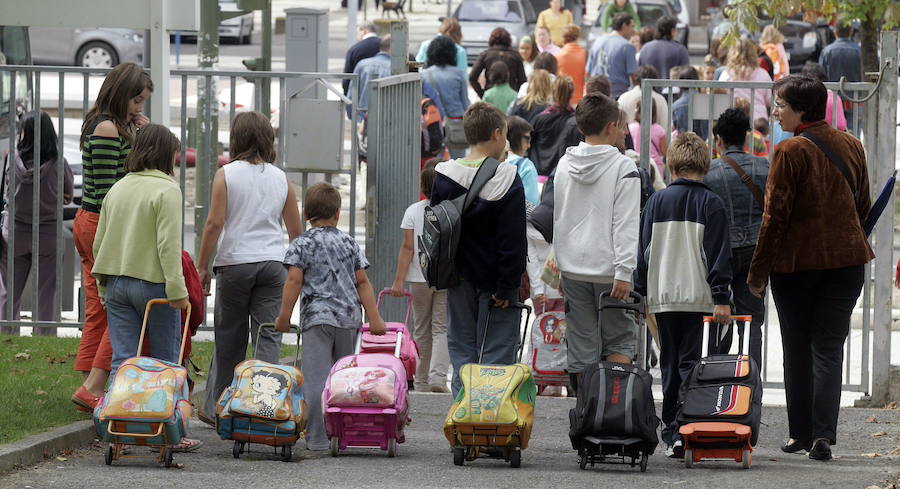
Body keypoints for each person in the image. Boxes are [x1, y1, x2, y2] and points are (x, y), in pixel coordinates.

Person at [747, 75, 872, 462]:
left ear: (801, 109)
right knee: (829, 349)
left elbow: (774, 219)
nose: (775, 111)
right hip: (847, 263)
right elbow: (864, 206)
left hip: (797, 267)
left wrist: (758, 273)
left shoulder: (789, 151)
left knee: (797, 349)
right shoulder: (852, 145)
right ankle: (822, 436)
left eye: (780, 105)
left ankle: (799, 432)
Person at [195, 111, 303, 425]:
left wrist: (203, 266)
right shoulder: (281, 178)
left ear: (236, 140)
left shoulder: (226, 174)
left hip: (234, 264)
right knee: (268, 335)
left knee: (230, 337)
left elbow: (215, 223)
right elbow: (296, 233)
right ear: (268, 140)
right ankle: (266, 406)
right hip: (272, 264)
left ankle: (219, 408)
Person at [635, 132, 733, 458]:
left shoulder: (655, 202)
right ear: (705, 164)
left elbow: (643, 252)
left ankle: (671, 432)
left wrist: (640, 292)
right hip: (696, 296)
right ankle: (688, 425)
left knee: (669, 361)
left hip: (662, 296)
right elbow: (718, 256)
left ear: (672, 164)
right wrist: (721, 297)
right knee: (691, 362)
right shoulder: (713, 204)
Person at [274, 183, 387, 451]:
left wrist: (283, 316)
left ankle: (316, 438)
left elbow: (293, 280)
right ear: (337, 213)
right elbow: (363, 283)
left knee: (317, 379)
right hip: (349, 320)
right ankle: (345, 434)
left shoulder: (302, 243)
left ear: (305, 214)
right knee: (346, 380)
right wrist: (375, 318)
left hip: (317, 320)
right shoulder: (348, 242)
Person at [71, 62, 152, 414]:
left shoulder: (108, 124)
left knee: (99, 308)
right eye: (135, 100)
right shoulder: (107, 128)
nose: (139, 108)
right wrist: (141, 145)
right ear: (119, 94)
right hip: (103, 223)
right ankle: (94, 385)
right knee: (119, 306)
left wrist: (138, 135)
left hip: (92, 222)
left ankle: (88, 385)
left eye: (143, 102)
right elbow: (109, 189)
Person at [430, 102, 527, 396]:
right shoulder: (506, 177)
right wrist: (508, 286)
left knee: (462, 352)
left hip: (456, 277)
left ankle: (463, 421)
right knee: (496, 355)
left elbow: (437, 228)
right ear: (497, 133)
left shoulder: (444, 174)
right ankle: (490, 424)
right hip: (494, 283)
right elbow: (512, 240)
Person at [553, 93, 640, 392]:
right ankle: (614, 412)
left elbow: (561, 215)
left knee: (581, 342)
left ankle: (587, 411)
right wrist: (624, 270)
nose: (623, 132)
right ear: (610, 127)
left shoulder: (564, 163)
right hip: (610, 271)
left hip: (572, 267)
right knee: (619, 339)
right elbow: (626, 223)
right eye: (620, 127)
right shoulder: (623, 167)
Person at [91, 124, 188, 384]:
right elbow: (168, 245)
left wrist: (102, 286)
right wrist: (178, 291)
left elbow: (99, 242)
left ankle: (118, 417)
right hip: (154, 284)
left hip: (116, 283)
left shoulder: (117, 188)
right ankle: (161, 421)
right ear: (166, 154)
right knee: (164, 361)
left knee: (122, 361)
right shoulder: (167, 190)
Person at [702, 108, 769, 364]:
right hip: (756, 252)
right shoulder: (764, 166)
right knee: (751, 321)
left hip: (721, 252)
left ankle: (713, 378)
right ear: (746, 137)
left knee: (716, 316)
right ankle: (750, 385)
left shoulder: (709, 172)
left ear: (718, 140)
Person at [0, 112, 73, 325]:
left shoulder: (10, 159)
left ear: (25, 133)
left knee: (9, 292)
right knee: (46, 293)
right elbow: (67, 197)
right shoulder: (60, 163)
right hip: (48, 234)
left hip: (14, 232)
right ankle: (45, 336)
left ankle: (6, 337)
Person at [389, 164, 450, 393]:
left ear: (423, 186)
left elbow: (407, 248)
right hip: (445, 278)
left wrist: (398, 281)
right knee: (441, 327)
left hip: (418, 277)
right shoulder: (450, 211)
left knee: (421, 328)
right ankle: (438, 377)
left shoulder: (413, 211)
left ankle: (422, 380)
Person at [422, 36, 471, 159]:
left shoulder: (424, 75)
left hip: (433, 123)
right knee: (459, 164)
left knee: (434, 165)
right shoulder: (458, 74)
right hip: (456, 123)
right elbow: (465, 103)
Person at [530, 76, 576, 176]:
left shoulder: (540, 119)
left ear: (552, 92)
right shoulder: (575, 121)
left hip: (539, 171)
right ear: (571, 94)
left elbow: (528, 141)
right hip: (562, 172)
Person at [719, 39, 772, 122]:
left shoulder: (726, 73)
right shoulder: (763, 74)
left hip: (733, 120)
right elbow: (770, 100)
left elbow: (720, 97)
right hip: (758, 121)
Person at [587, 13, 638, 99]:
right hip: (617, 95)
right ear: (624, 25)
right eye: (631, 26)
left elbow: (588, 72)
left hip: (594, 94)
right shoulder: (627, 46)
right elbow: (634, 76)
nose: (633, 31)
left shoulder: (597, 41)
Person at [469, 28, 527, 98]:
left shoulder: (485, 55)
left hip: (491, 94)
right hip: (510, 95)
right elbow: (522, 80)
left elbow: (472, 77)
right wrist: (516, 93)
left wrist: (482, 93)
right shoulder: (515, 56)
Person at [350, 35, 392, 121]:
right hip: (387, 120)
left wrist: (354, 119)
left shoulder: (362, 64)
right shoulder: (395, 68)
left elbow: (351, 95)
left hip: (361, 118)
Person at [618, 65, 669, 130]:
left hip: (627, 139)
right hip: (654, 139)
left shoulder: (624, 98)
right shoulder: (660, 100)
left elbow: (617, 124)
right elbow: (665, 127)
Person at [638, 17, 689, 82]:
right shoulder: (680, 50)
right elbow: (685, 75)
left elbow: (639, 71)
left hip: (648, 90)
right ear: (672, 31)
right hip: (671, 91)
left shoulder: (645, 48)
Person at [801, 62, 847, 131]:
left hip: (806, 137)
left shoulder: (800, 97)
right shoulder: (834, 98)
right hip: (830, 137)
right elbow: (841, 125)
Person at [505, 115, 540, 205]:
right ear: (516, 137)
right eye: (527, 138)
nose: (529, 145)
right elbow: (532, 203)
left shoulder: (491, 161)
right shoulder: (526, 166)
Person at [628, 99, 667, 177]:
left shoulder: (630, 128)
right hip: (656, 168)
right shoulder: (660, 130)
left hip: (636, 165)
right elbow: (664, 152)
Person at [670, 65, 709, 140]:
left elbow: (675, 127)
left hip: (682, 147)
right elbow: (706, 129)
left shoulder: (675, 105)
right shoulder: (704, 102)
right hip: (700, 146)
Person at [342, 22, 381, 96]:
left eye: (358, 32)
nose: (357, 36)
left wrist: (346, 97)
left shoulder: (355, 49)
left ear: (364, 31)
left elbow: (347, 76)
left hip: (361, 93)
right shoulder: (385, 45)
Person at [819, 20, 861, 85]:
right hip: (856, 93)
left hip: (832, 93)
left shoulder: (826, 51)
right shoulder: (858, 50)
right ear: (851, 32)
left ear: (835, 32)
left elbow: (821, 74)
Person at [554, 25, 587, 106]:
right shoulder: (585, 54)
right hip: (582, 99)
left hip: (563, 100)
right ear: (577, 37)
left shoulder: (557, 56)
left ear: (563, 37)